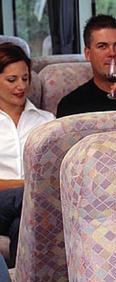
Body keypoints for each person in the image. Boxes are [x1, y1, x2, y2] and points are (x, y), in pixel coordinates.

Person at [0, 43, 55, 266]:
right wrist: (28, 185)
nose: (21, 86)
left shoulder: (47, 121)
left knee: (21, 222)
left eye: (25, 78)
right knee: (28, 196)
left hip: (30, 209)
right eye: (11, 80)